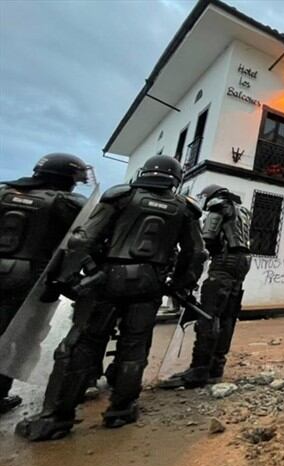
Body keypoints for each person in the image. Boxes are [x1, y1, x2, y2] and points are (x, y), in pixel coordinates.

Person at [16, 155, 205, 440]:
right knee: (135, 346)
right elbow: (195, 253)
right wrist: (178, 285)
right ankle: (122, 410)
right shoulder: (184, 209)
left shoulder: (122, 196)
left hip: (106, 280)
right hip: (150, 285)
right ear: (176, 178)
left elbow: (83, 239)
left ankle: (56, 418)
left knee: (80, 345)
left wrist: (75, 276)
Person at [0, 153, 89, 414]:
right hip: (29, 279)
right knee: (16, 337)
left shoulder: (3, 192)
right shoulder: (66, 202)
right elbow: (81, 242)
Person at [160, 184, 251, 389]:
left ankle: (199, 369)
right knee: (228, 314)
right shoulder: (242, 210)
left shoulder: (218, 206)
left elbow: (207, 238)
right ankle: (216, 366)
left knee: (208, 314)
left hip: (223, 263)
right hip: (242, 262)